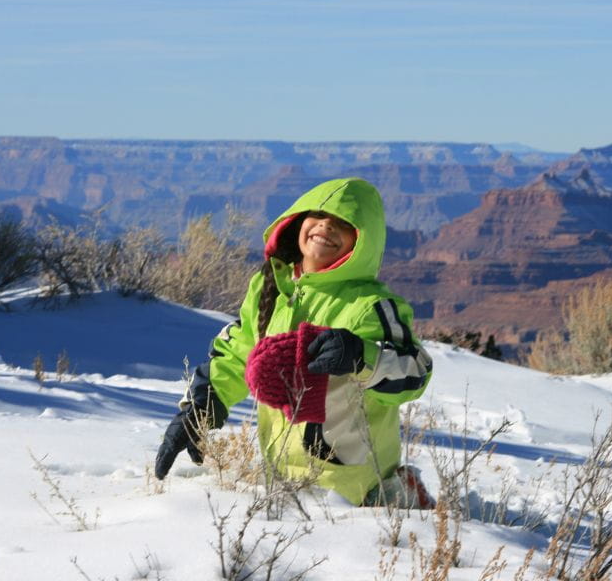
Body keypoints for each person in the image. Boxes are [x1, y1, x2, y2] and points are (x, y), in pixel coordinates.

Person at [154, 177, 434, 507]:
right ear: (297, 220)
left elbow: (414, 372)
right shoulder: (270, 287)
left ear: (363, 241)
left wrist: (362, 357)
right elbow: (238, 352)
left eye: (344, 223)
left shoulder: (370, 305)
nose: (326, 226)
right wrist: (199, 408)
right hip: (282, 478)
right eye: (318, 215)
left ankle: (404, 493)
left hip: (353, 486)